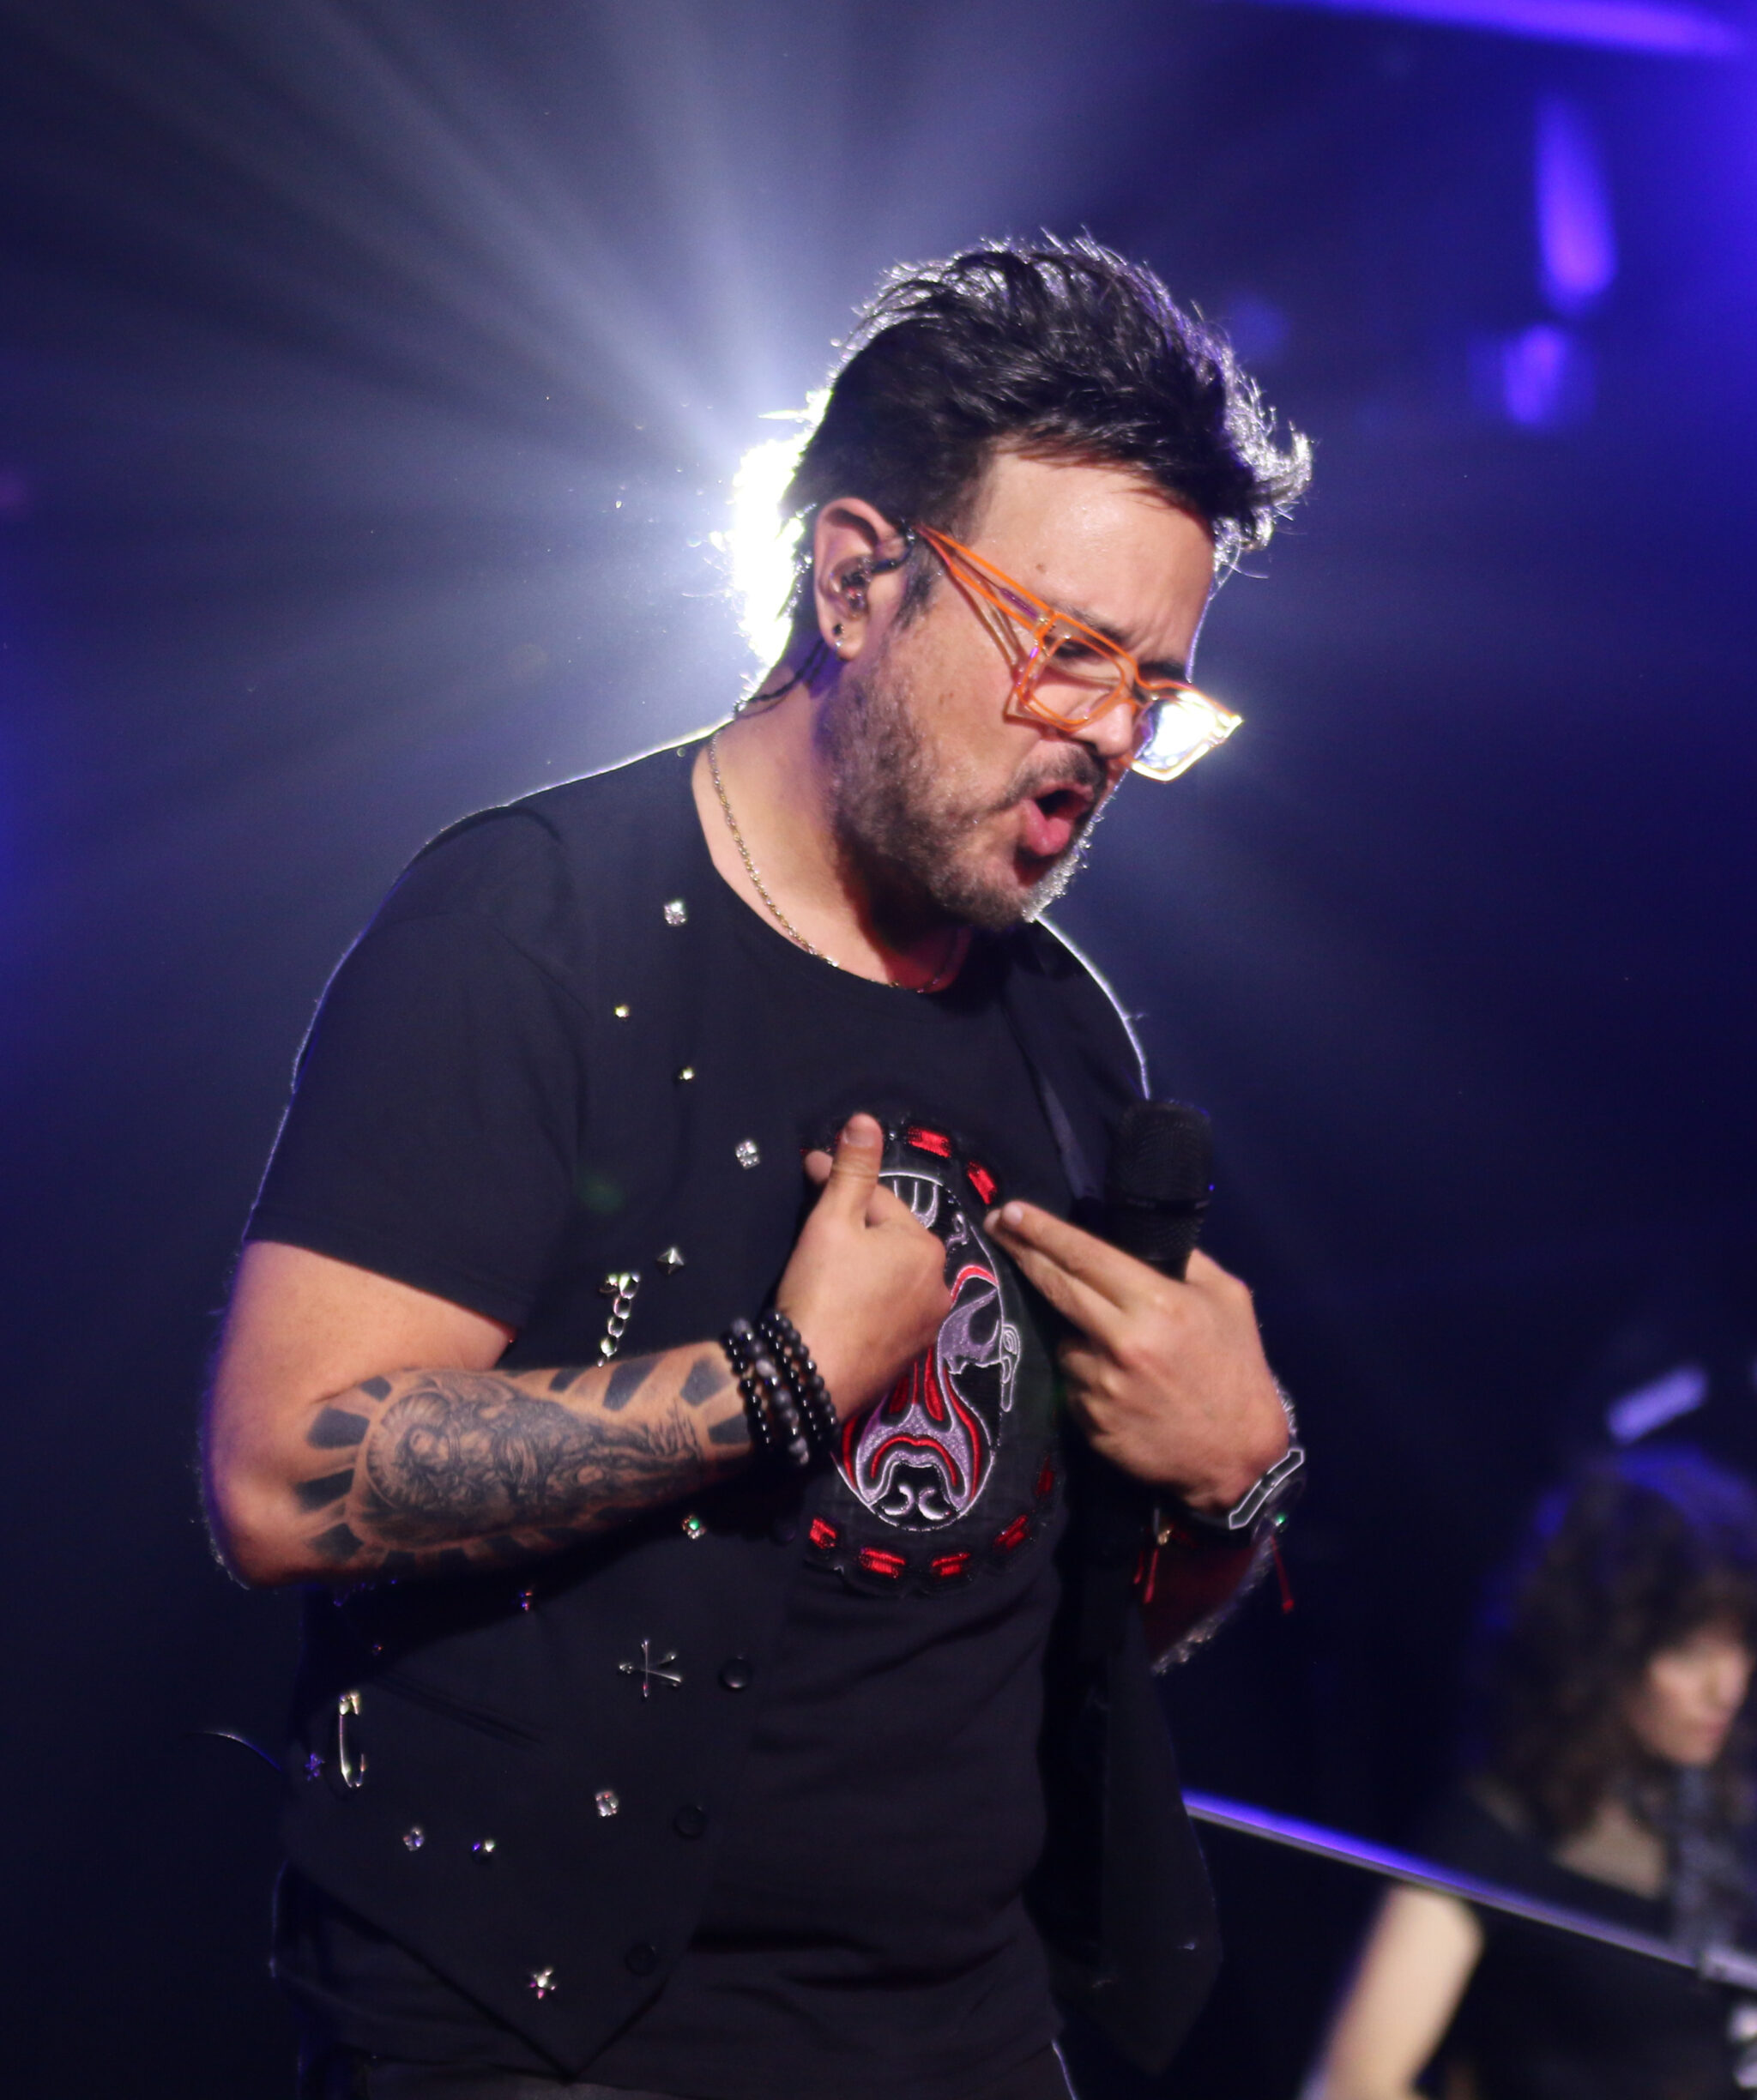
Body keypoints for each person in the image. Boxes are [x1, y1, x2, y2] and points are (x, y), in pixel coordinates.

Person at [203, 238, 1311, 2100]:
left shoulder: (1068, 1042)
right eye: (1065, 652)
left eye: (1154, 690)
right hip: (541, 2042)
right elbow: (279, 1475)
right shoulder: (531, 925)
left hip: (958, 2035)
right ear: (855, 576)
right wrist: (779, 1382)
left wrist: (1231, 1483)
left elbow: (1061, 1628)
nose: (1111, 739)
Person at [1307, 1448, 1757, 2100]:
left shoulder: (1728, 1824)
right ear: (1607, 1651)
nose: (1728, 1687)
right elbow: (1357, 2083)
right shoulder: (1499, 1833)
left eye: (1741, 1644)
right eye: (1689, 1652)